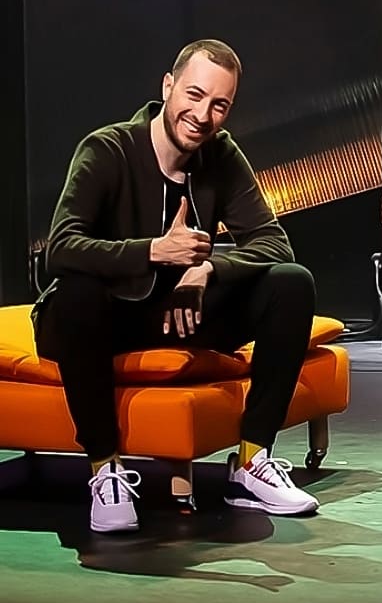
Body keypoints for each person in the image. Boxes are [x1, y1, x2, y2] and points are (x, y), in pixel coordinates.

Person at [33, 40, 320, 533]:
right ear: (168, 87)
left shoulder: (220, 155)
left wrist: (209, 270)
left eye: (219, 105)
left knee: (291, 284)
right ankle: (105, 471)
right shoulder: (108, 149)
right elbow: (60, 248)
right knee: (78, 292)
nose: (203, 115)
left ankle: (251, 463)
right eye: (194, 95)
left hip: (179, 312)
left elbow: (274, 242)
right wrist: (154, 251)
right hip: (102, 315)